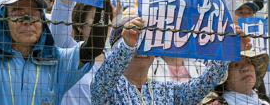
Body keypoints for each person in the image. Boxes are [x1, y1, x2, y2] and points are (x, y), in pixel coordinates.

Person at [91, 14, 251, 105]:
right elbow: (102, 82)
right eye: (133, 39)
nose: (139, 46)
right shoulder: (108, 88)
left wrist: (227, 50)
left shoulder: (167, 90)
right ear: (118, 47)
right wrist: (127, 46)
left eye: (147, 40)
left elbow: (207, 81)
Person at [50, 0, 115, 105]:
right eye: (94, 19)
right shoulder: (67, 50)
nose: (105, 23)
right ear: (80, 26)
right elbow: (60, 19)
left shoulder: (114, 59)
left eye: (106, 18)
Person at [201, 51, 269, 105]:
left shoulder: (263, 102)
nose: (245, 68)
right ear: (224, 78)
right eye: (236, 65)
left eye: (249, 62)